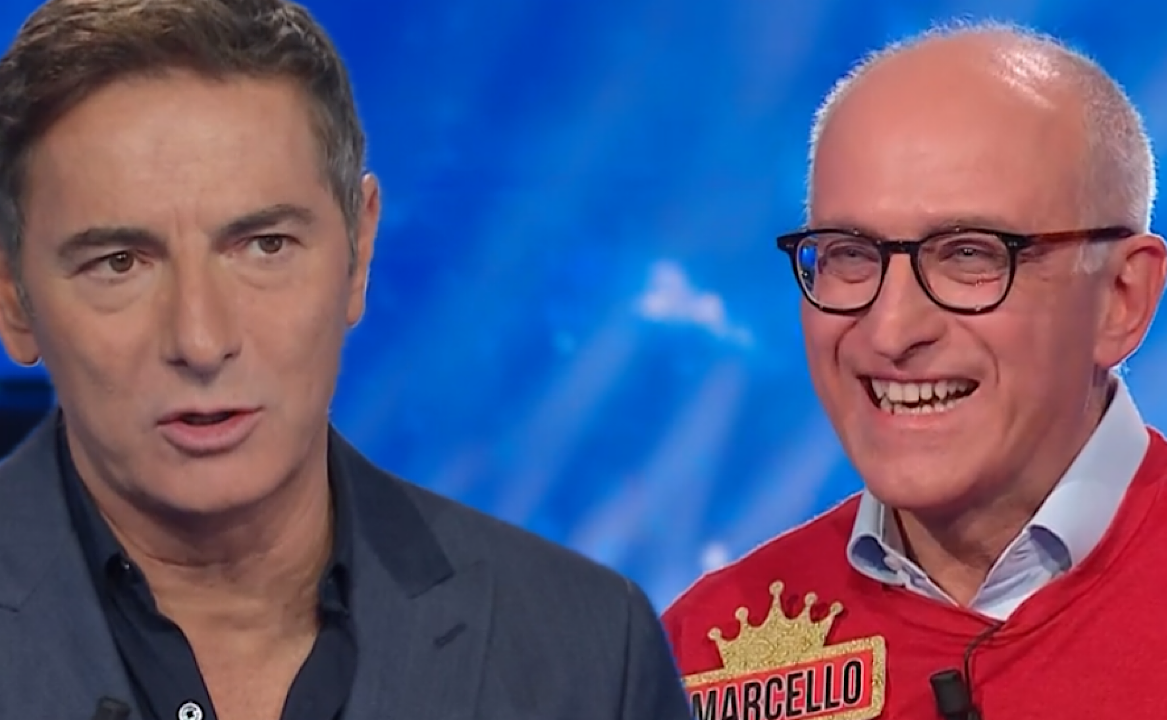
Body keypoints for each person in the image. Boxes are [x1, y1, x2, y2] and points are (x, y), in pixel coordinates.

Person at [0, 1, 691, 719]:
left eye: (265, 246)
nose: (201, 341)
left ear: (359, 251)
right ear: (14, 297)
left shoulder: (588, 657)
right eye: (119, 262)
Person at [662, 21, 1167, 720]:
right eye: (850, 254)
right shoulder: (702, 652)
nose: (891, 331)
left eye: (969, 254)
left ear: (1120, 298)